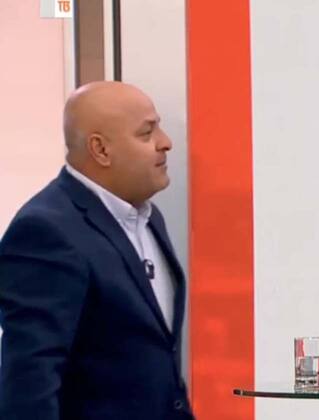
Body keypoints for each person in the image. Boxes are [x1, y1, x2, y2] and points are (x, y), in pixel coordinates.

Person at [0, 81, 194, 420]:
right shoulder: (46, 231)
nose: (166, 142)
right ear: (100, 149)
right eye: (147, 133)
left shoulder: (149, 217)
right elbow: (30, 380)